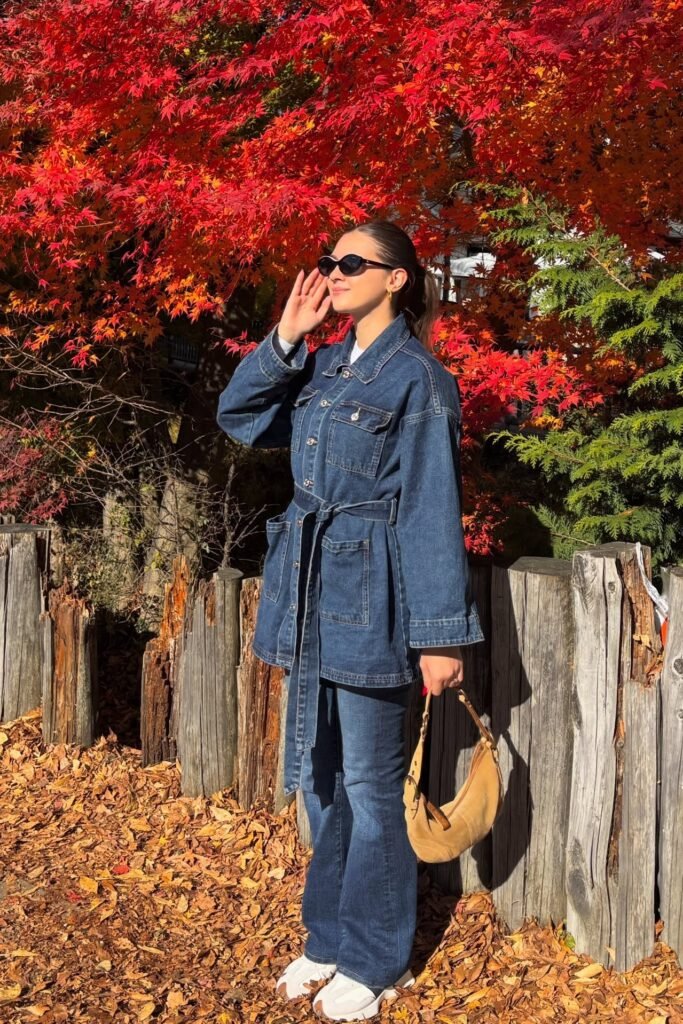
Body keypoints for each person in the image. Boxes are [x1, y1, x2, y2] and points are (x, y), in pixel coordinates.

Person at [216, 218, 485, 1021]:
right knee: (324, 780)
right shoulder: (326, 366)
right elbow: (241, 419)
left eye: (351, 263)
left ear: (396, 278)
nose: (331, 274)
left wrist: (438, 635)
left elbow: (433, 510)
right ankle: (327, 939)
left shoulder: (420, 381)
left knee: (370, 789)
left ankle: (375, 960)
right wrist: (284, 340)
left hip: (374, 603)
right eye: (328, 262)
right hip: (308, 592)